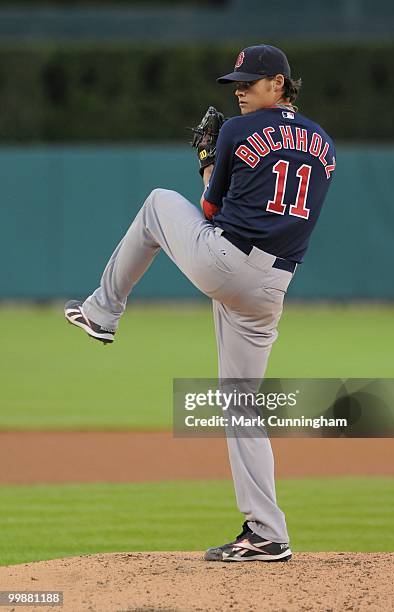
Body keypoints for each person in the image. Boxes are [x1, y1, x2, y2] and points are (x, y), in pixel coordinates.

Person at [65, 44, 336, 562]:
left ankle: (103, 311)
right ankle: (268, 533)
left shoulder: (239, 131)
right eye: (236, 81)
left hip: (228, 261)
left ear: (279, 83)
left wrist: (208, 161)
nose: (239, 89)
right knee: (241, 403)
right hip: (272, 287)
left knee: (157, 205)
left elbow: (209, 210)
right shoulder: (324, 143)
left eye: (250, 82)